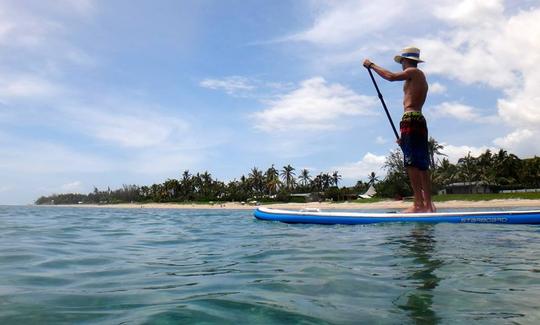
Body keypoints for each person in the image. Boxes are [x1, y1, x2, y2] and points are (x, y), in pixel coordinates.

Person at [363, 47, 435, 213]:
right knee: (422, 163)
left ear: (406, 60)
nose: (401, 64)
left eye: (402, 61)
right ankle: (428, 205)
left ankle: (418, 204)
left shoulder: (414, 72)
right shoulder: (418, 77)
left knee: (411, 163)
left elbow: (390, 76)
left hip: (410, 119)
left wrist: (371, 65)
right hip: (417, 120)